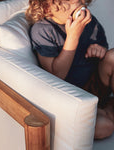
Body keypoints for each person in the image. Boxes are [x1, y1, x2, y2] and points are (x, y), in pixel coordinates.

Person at [26, 0, 114, 139]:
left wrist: (100, 50)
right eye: (68, 2)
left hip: (95, 86)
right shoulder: (42, 30)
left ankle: (105, 107)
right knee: (105, 127)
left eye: (79, 1)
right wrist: (73, 36)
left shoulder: (89, 22)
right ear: (47, 8)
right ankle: (107, 109)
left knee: (112, 56)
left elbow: (104, 53)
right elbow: (57, 75)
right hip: (73, 100)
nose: (78, 4)